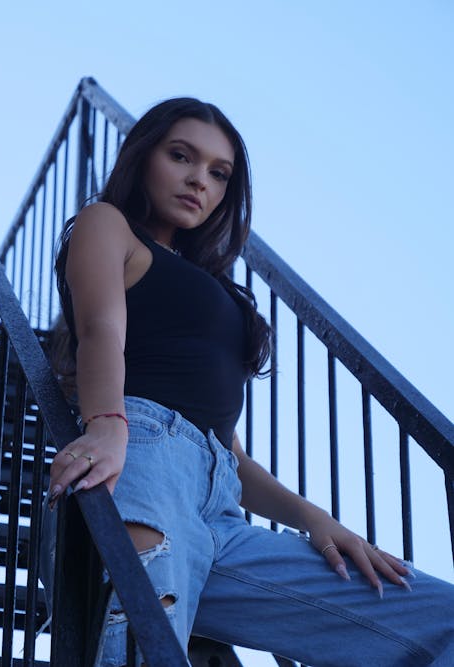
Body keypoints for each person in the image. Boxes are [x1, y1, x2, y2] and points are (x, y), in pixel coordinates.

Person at [43, 97, 454, 666]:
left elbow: (229, 454)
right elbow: (101, 329)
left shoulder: (216, 284)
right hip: (142, 462)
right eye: (181, 156)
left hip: (222, 510)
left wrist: (315, 519)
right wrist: (108, 425)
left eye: (219, 173)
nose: (199, 181)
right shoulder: (107, 225)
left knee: (437, 616)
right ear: (143, 157)